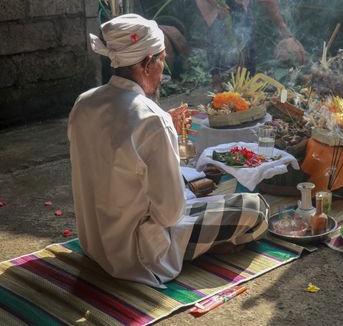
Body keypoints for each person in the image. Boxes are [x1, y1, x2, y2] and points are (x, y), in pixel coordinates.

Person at [68, 14, 269, 288]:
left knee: (202, 189)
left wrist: (165, 131)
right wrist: (166, 133)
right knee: (254, 208)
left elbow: (117, 148)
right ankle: (209, 247)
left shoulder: (84, 103)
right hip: (141, 255)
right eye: (162, 59)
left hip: (96, 243)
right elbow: (170, 214)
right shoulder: (152, 120)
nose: (163, 70)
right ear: (147, 63)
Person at [188, 0, 307, 90]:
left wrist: (284, 29)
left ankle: (247, 79)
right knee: (215, 33)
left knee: (248, 32)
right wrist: (219, 5)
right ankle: (216, 80)